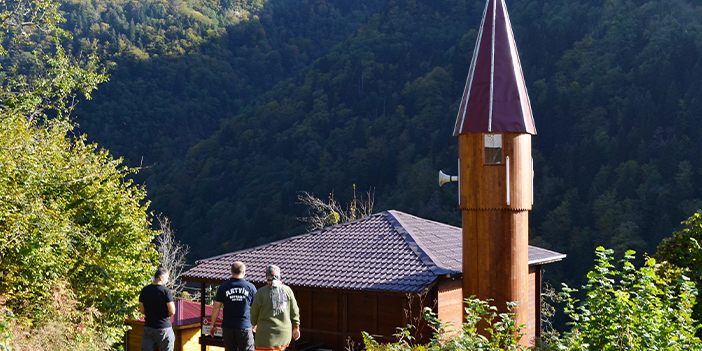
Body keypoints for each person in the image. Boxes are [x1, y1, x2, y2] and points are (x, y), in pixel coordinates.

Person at [209, 261, 258, 351]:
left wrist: (212, 325)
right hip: (245, 326)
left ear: (231, 272)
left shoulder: (223, 287)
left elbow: (217, 307)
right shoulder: (250, 287)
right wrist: (255, 324)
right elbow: (256, 308)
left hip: (228, 327)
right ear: (244, 272)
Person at [250, 265, 300, 351]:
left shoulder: (261, 292)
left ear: (267, 276)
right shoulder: (287, 290)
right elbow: (294, 311)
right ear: (279, 275)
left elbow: (254, 312)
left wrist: (253, 324)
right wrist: (296, 327)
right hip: (283, 334)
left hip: (265, 335)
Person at [139, 267, 176, 351]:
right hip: (163, 327)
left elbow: (142, 310)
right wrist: (165, 315)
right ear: (161, 278)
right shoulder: (166, 291)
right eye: (167, 278)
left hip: (149, 327)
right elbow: (172, 311)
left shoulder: (145, 290)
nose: (167, 281)